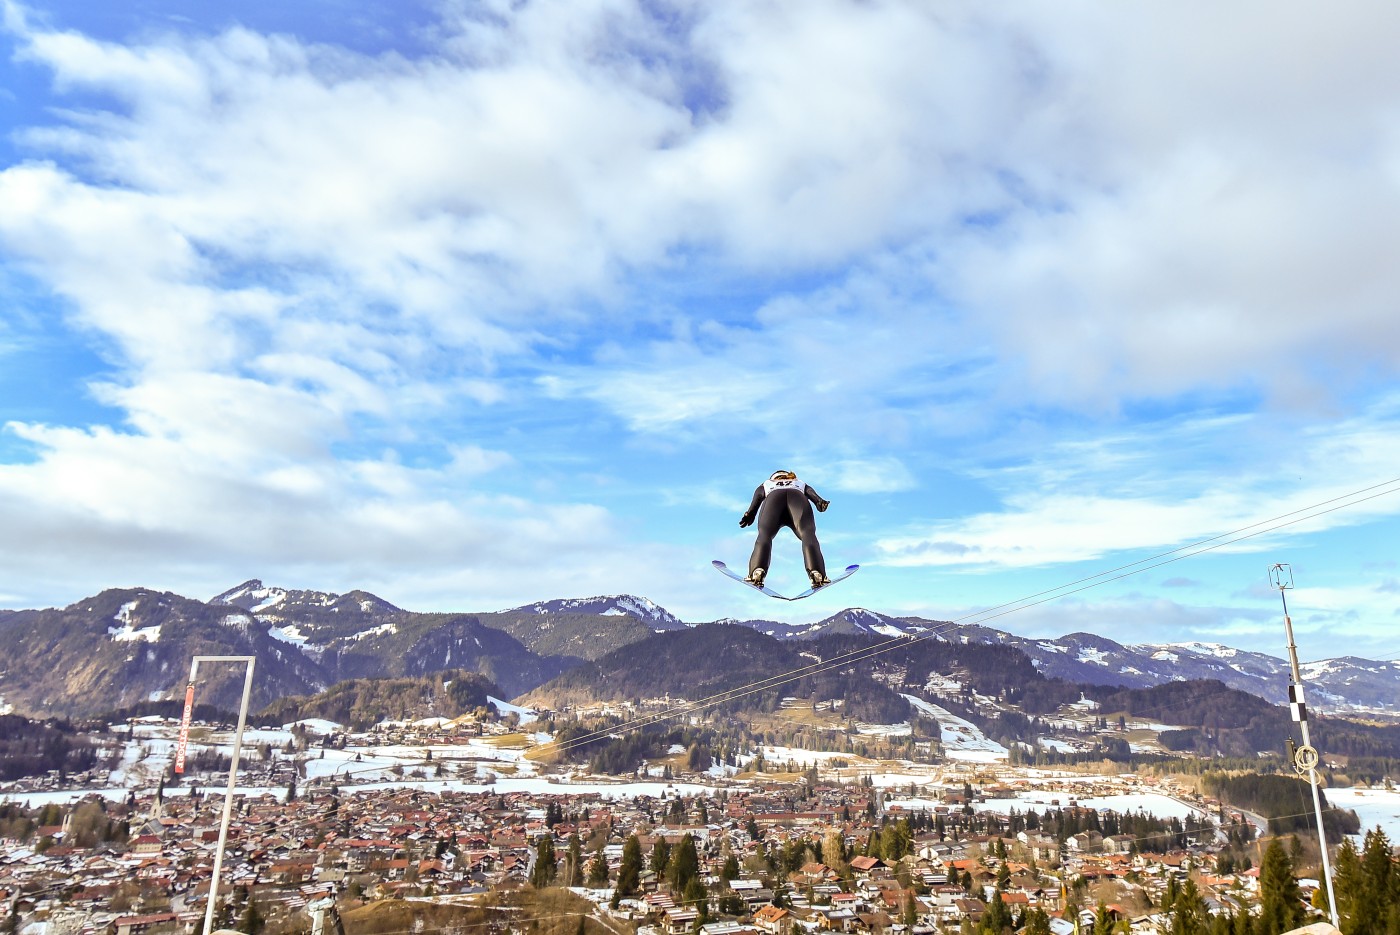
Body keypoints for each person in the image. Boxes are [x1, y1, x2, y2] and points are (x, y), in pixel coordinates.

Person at [740, 470, 830, 589]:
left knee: (765, 534)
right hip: (797, 498)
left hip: (773, 499)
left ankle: (757, 571)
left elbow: (757, 498)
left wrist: (749, 514)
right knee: (807, 534)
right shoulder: (798, 483)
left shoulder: (767, 484)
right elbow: (812, 494)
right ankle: (817, 573)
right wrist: (819, 502)